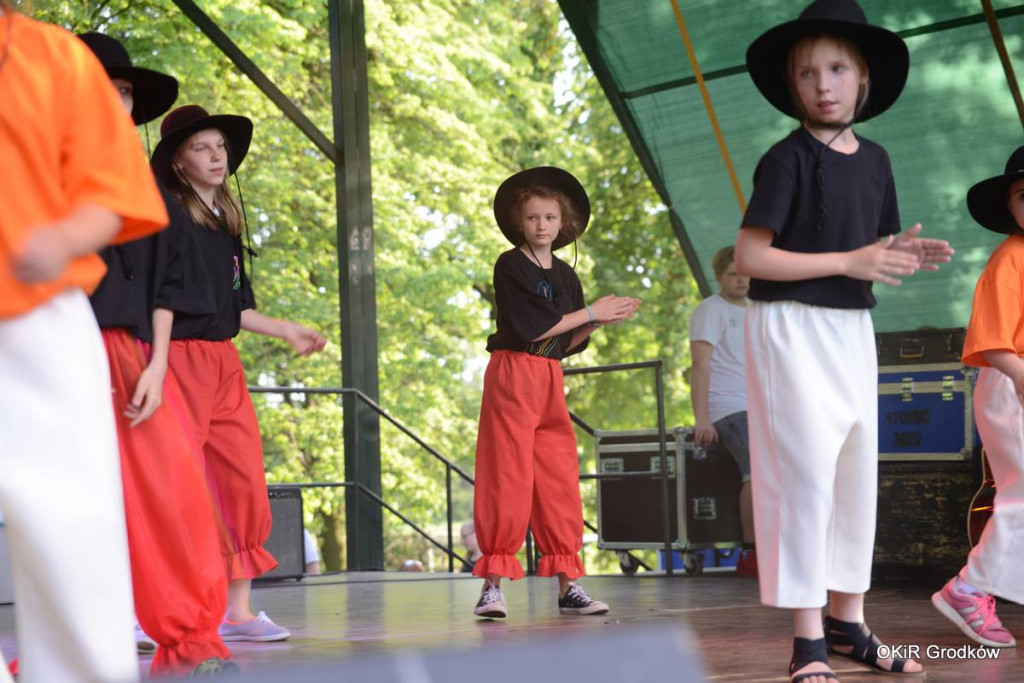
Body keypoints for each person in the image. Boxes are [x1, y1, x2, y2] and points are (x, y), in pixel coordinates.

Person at [735, 1, 953, 681]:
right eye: (807, 72)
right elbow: (748, 258)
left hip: (851, 330)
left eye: (837, 69)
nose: (823, 83)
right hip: (789, 329)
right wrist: (849, 261)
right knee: (803, 481)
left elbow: (871, 248)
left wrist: (898, 256)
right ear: (793, 86)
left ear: (863, 80)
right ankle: (807, 644)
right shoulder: (785, 159)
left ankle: (849, 622)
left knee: (857, 475)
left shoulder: (879, 160)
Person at [0, 6, 168, 681]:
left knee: (71, 521)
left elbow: (112, 194)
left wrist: (59, 240)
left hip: (39, 315)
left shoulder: (54, 59)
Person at [78, 32, 236, 677]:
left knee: (173, 493)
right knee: (78, 497)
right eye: (105, 89)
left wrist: (157, 362)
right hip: (62, 344)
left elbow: (169, 282)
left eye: (124, 93)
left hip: (136, 352)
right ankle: (80, 641)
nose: (118, 102)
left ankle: (190, 637)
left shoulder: (147, 191)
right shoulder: (43, 170)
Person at [149, 104, 327, 642]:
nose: (215, 156)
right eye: (201, 148)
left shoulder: (226, 222)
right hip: (177, 356)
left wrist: (287, 329)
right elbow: (160, 298)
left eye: (220, 147)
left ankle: (239, 614)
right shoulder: (167, 217)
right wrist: (155, 365)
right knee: (174, 484)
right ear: (178, 162)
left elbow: (235, 309)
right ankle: (152, 607)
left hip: (223, 360)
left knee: (241, 481)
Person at [471, 166, 640, 619]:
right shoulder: (510, 264)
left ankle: (569, 585)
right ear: (518, 223)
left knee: (558, 475)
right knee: (508, 475)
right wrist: (590, 311)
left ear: (563, 223)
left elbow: (566, 342)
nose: (541, 225)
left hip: (547, 376)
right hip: (513, 373)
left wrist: (600, 318)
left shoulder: (566, 274)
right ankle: (492, 585)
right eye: (532, 218)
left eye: (549, 217)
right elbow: (533, 329)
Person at [930, 147, 1024, 649]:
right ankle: (967, 591)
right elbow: (992, 341)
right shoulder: (1010, 258)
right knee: (1022, 495)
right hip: (1013, 385)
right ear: (1010, 206)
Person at [688, 245, 756, 576]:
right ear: (718, 277)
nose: (741, 279)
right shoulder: (710, 310)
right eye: (732, 273)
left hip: (758, 407)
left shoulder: (757, 309)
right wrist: (702, 418)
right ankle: (751, 554)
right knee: (756, 474)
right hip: (727, 407)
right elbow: (699, 367)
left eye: (745, 272)